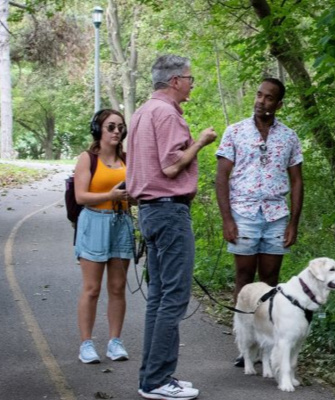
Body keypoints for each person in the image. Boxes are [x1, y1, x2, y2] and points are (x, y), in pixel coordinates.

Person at [126, 55, 217, 400]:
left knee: (160, 297)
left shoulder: (142, 112)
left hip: (150, 213)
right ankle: (158, 380)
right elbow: (171, 167)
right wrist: (202, 142)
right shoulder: (167, 115)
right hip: (168, 212)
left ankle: (152, 377)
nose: (193, 84)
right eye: (190, 79)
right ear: (176, 80)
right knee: (173, 297)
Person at [215, 78, 304, 365]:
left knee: (270, 282)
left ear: (278, 104)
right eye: (258, 95)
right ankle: (244, 347)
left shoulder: (289, 137)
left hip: (276, 215)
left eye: (268, 98)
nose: (260, 101)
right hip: (244, 214)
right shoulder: (235, 132)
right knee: (243, 280)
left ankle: (266, 343)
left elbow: (297, 181)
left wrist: (294, 223)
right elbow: (221, 178)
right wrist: (227, 219)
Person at [74, 109, 134, 364]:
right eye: (111, 127)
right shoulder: (87, 159)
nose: (117, 131)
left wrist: (132, 197)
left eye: (120, 127)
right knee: (92, 288)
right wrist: (109, 196)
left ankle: (115, 341)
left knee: (118, 287)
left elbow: (138, 192)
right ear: (98, 129)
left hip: (122, 223)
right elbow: (81, 197)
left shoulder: (127, 160)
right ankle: (86, 343)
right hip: (94, 222)